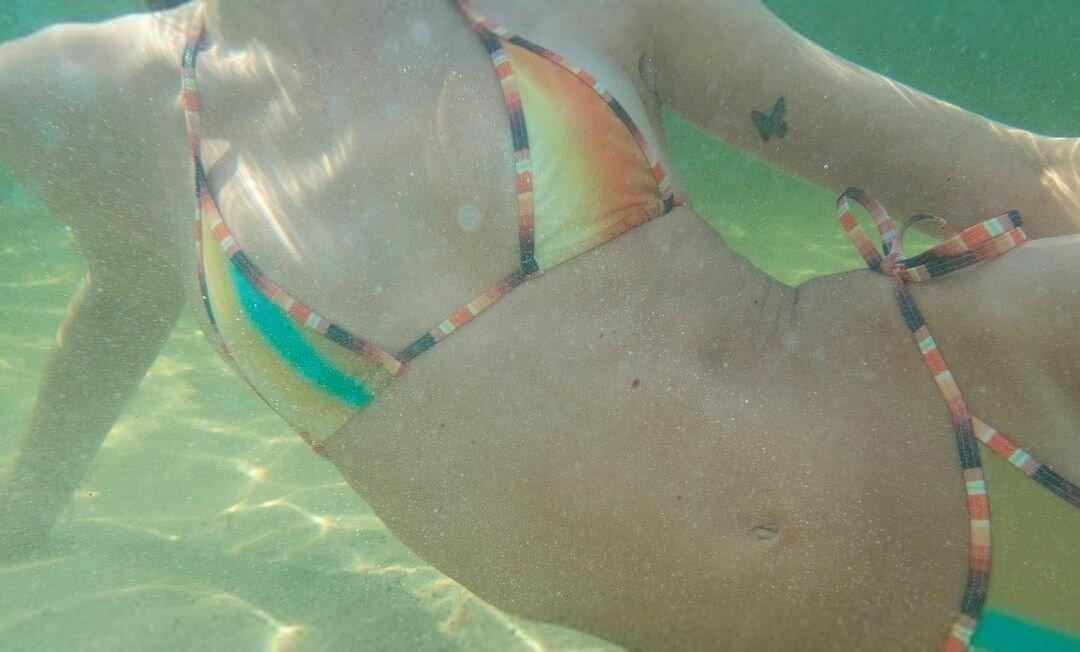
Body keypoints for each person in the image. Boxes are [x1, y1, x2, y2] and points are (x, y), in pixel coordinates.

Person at [0, 1, 1077, 649]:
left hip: (1002, 455)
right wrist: (28, 508)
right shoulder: (90, 95)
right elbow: (129, 284)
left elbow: (999, 171)